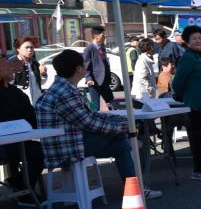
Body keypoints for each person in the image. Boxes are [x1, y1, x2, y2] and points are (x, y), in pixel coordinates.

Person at [36, 50, 161, 200]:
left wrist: (117, 121)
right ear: (78, 69)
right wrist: (122, 127)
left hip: (67, 143)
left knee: (121, 144)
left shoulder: (60, 88)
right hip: (68, 148)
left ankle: (135, 189)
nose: (86, 66)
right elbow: (88, 123)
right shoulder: (65, 92)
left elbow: (90, 116)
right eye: (84, 64)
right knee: (123, 138)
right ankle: (137, 189)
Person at [171, 26, 201, 181]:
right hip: (196, 104)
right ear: (186, 42)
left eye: (200, 37)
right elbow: (178, 81)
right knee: (197, 138)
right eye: (194, 38)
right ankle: (198, 169)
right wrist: (182, 96)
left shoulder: (200, 56)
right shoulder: (188, 58)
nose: (199, 40)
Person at [0, 57, 43, 193]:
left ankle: (19, 183)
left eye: (8, 64)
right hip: (5, 143)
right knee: (39, 152)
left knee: (43, 150)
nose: (10, 67)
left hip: (19, 140)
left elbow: (31, 114)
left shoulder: (15, 91)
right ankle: (23, 188)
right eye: (4, 65)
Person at [83, 26, 115, 109]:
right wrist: (88, 78)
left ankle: (114, 117)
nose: (105, 37)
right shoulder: (89, 49)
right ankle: (94, 120)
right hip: (94, 82)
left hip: (105, 81)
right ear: (96, 37)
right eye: (103, 35)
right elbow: (86, 66)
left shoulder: (102, 47)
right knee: (95, 106)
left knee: (111, 102)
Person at [10, 36, 45, 105]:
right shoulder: (12, 63)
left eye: (31, 47)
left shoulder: (35, 63)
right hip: (20, 104)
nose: (30, 50)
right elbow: (8, 85)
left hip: (37, 102)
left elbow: (41, 83)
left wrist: (43, 73)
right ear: (18, 49)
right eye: (26, 47)